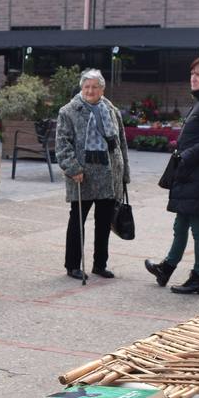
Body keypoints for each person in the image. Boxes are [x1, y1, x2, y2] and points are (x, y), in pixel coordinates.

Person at [145, 57, 199, 296]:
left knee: (198, 228)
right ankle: (167, 267)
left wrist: (186, 155)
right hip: (191, 174)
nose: (193, 77)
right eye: (192, 73)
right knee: (180, 225)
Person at [55, 68, 130, 281]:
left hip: (108, 174)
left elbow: (121, 142)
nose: (90, 90)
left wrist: (124, 173)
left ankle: (100, 264)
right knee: (77, 221)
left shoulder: (111, 109)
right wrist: (73, 168)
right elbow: (62, 144)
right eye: (87, 87)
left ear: (102, 89)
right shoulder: (68, 111)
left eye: (95, 87)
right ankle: (72, 265)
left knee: (104, 222)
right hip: (83, 175)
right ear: (81, 88)